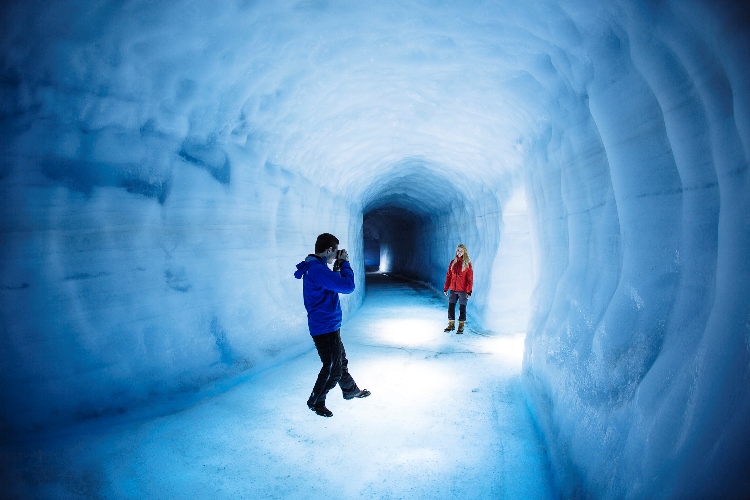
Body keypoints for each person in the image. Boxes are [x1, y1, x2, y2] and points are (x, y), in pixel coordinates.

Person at [294, 232, 371, 417]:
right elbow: (348, 286)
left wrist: (336, 269)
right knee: (332, 367)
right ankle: (316, 401)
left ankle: (350, 390)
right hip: (324, 327)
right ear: (329, 249)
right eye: (335, 251)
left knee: (339, 362)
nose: (336, 255)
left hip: (328, 325)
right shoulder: (317, 270)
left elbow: (329, 286)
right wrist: (345, 264)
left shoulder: (318, 267)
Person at [443, 244, 473, 334]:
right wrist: (446, 288)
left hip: (463, 290)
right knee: (451, 307)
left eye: (461, 251)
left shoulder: (467, 264)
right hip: (453, 289)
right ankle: (451, 324)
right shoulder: (453, 262)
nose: (459, 252)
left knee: (462, 308)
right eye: (458, 250)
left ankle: (461, 325)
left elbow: (470, 279)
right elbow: (448, 276)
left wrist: (469, 291)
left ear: (464, 252)